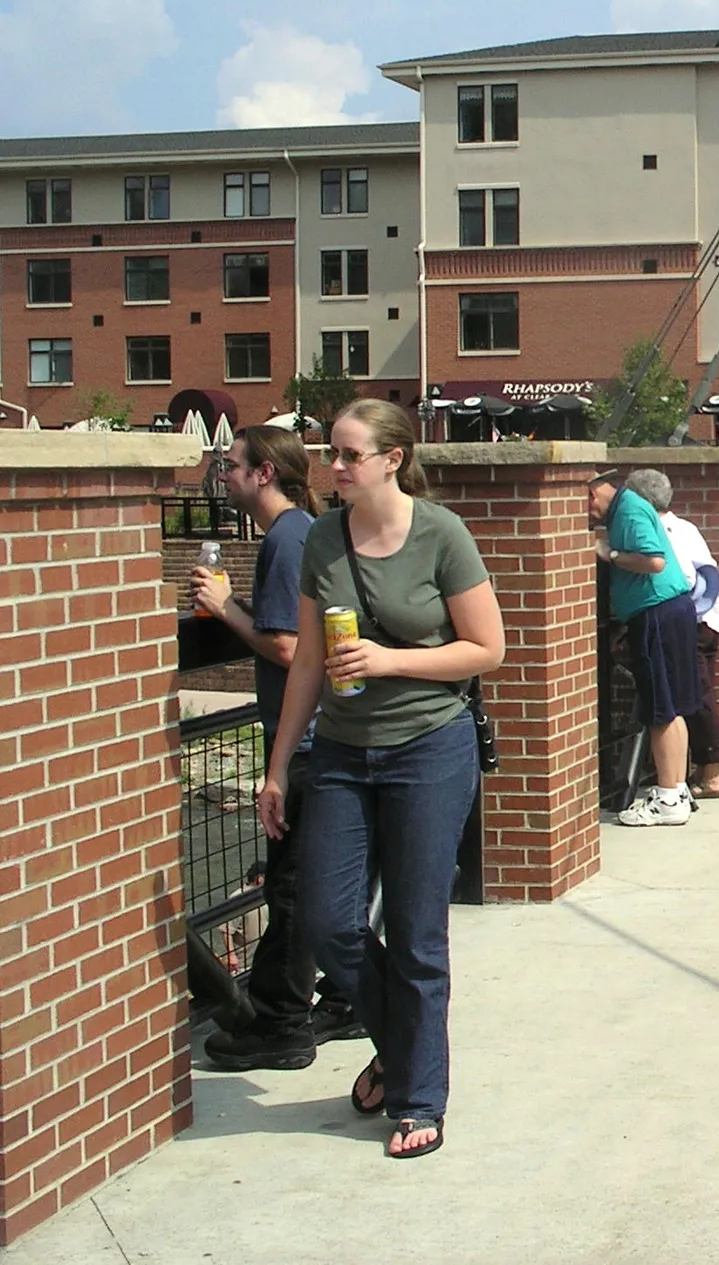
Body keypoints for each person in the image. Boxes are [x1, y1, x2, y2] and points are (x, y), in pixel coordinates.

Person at [259, 398, 505, 1160]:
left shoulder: (440, 534)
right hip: (339, 750)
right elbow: (304, 658)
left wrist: (391, 659)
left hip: (429, 748)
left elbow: (486, 648)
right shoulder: (322, 540)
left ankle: (417, 1095)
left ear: (392, 459)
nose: (334, 467)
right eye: (330, 452)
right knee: (329, 921)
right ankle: (404, 1041)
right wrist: (276, 768)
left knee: (417, 929)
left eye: (349, 454)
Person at [193, 425, 325, 1072]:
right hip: (317, 737)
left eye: (233, 464)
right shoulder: (302, 531)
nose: (225, 474)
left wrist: (224, 608)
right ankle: (343, 999)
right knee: (311, 879)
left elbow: (287, 647)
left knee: (292, 885)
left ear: (264, 472)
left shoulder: (286, 538)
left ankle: (281, 1023)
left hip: (301, 740)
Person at [590, 469, 704, 828]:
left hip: (656, 614)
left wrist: (610, 553)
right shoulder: (629, 506)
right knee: (675, 708)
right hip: (668, 612)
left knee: (661, 709)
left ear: (592, 492)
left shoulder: (628, 509)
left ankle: (668, 797)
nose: (588, 515)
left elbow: (653, 561)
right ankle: (678, 789)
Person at [624, 469, 719, 800]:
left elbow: (682, 577)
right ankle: (703, 770)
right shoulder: (686, 526)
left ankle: (712, 773)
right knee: (702, 694)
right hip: (710, 620)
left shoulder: (658, 532)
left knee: (696, 698)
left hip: (689, 623)